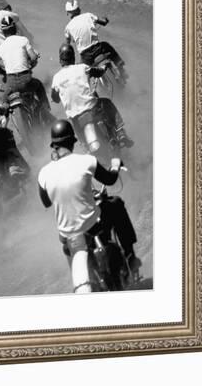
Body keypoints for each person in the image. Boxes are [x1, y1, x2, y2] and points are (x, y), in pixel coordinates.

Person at [38, 119, 141, 293]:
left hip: (68, 239)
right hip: (92, 229)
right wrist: (115, 165)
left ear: (53, 146)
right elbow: (110, 180)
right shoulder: (86, 161)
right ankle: (130, 257)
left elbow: (46, 202)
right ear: (72, 141)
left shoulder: (43, 173)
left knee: (69, 248)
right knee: (115, 204)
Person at [51, 43, 133, 149]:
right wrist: (103, 68)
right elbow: (98, 72)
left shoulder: (56, 78)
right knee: (107, 103)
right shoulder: (83, 68)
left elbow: (55, 98)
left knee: (82, 141)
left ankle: (86, 148)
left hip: (75, 119)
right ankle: (121, 132)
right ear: (73, 57)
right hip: (92, 109)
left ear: (61, 60)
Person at [0, 17, 51, 116]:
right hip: (27, 81)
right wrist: (30, 66)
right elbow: (33, 57)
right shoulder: (23, 40)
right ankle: (45, 109)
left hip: (11, 85)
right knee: (39, 86)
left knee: (4, 104)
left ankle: (4, 121)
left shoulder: (0, 48)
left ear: (3, 32)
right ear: (15, 28)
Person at [64, 0, 126, 76]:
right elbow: (103, 22)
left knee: (82, 74)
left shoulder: (68, 27)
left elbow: (67, 46)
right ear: (79, 9)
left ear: (67, 13)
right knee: (107, 45)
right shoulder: (88, 15)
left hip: (86, 57)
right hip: (99, 49)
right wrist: (105, 19)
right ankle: (120, 67)